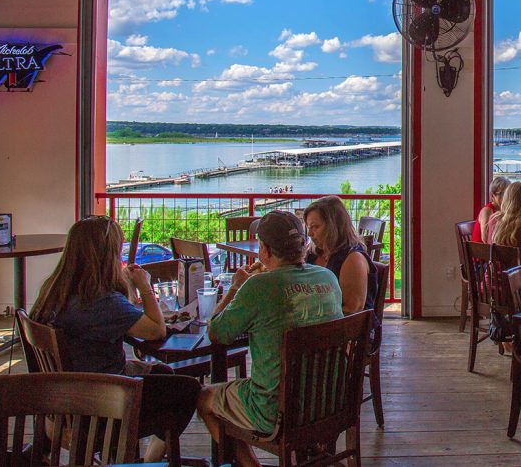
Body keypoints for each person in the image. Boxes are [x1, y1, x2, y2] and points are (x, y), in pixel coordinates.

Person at [30, 216, 200, 462]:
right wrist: (144, 286)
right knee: (189, 390)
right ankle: (148, 461)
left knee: (164, 372)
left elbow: (122, 314)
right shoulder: (99, 302)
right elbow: (156, 330)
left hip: (65, 398)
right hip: (99, 403)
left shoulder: (56, 290)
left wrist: (125, 284)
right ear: (106, 255)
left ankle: (127, 458)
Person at [197, 211, 343, 467]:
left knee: (204, 398)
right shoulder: (327, 277)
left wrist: (235, 288)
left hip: (275, 411)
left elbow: (216, 333)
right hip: (327, 401)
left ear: (264, 250)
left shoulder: (258, 287)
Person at [303, 196, 379, 316]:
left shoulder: (353, 258)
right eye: (309, 228)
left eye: (315, 227)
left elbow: (352, 310)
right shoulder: (314, 253)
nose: (310, 234)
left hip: (347, 325)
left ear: (334, 226)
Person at [474, 176, 510, 243]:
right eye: (501, 194)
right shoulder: (487, 210)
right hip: (482, 248)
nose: (505, 197)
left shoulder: (504, 209)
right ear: (492, 195)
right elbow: (485, 239)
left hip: (495, 247)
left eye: (507, 194)